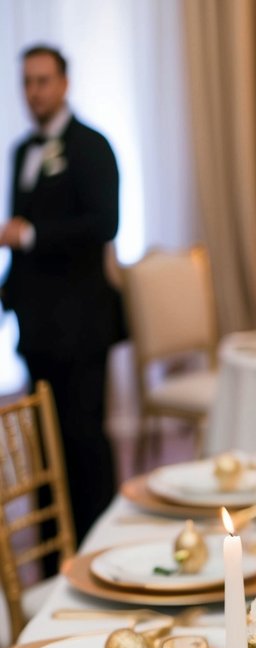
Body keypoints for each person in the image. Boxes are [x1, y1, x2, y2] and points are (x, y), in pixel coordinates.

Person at [0, 44, 122, 549]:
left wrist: (31, 235)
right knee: (46, 449)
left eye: (43, 81)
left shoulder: (92, 146)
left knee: (84, 440)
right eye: (27, 82)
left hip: (83, 322)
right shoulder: (21, 151)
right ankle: (55, 558)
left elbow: (105, 224)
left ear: (64, 84)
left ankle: (100, 546)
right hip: (39, 325)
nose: (34, 92)